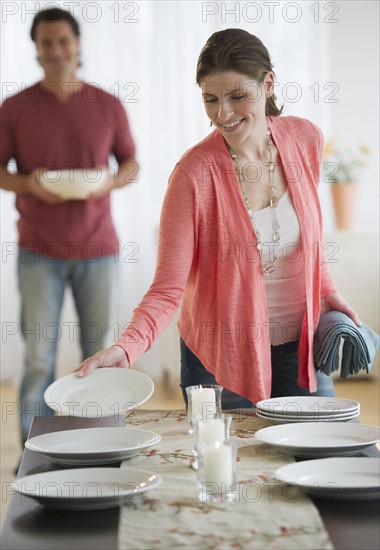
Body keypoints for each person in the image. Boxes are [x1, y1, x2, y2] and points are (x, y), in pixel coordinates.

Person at [75, 28, 359, 409]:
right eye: (211, 99)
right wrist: (127, 349)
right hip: (221, 358)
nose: (222, 114)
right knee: (231, 466)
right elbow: (166, 290)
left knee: (320, 455)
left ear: (268, 84)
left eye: (237, 96)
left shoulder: (305, 139)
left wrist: (328, 292)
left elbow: (309, 241)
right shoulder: (193, 175)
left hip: (301, 345)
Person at [0, 7, 138, 443]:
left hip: (100, 249)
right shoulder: (15, 107)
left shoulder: (108, 104)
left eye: (63, 41)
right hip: (38, 251)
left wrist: (108, 184)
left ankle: (99, 441)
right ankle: (33, 449)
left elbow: (132, 164)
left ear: (78, 44)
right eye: (47, 43)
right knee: (39, 357)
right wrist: (30, 185)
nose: (57, 50)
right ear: (36, 49)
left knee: (98, 356)